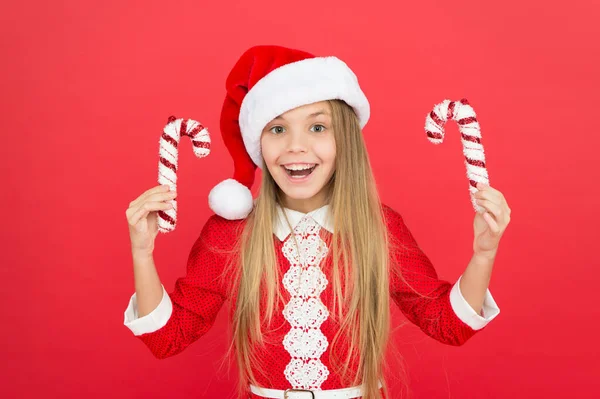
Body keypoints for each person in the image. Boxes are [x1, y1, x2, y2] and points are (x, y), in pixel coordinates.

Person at [123, 45, 511, 399]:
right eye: (277, 129)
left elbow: (448, 324)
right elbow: (166, 338)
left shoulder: (380, 229)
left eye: (317, 127)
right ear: (259, 143)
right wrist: (142, 253)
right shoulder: (231, 235)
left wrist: (483, 253)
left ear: (344, 140)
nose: (296, 146)